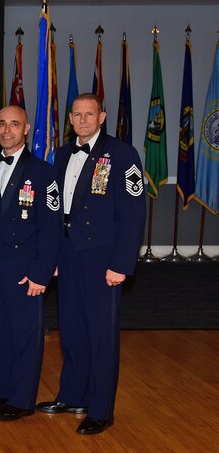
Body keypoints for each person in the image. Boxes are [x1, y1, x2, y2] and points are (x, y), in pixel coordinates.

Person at [37, 93, 146, 435]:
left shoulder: (123, 154)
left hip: (102, 258)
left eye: (89, 114)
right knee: (71, 329)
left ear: (102, 117)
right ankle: (73, 395)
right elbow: (54, 209)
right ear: (70, 119)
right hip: (68, 253)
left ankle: (101, 409)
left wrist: (121, 263)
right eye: (77, 114)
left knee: (101, 335)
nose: (83, 120)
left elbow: (133, 214)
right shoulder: (62, 154)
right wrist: (51, 255)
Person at [0, 106, 60, 421]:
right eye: (1, 123)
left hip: (25, 268)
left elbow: (52, 229)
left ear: (26, 130)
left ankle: (22, 400)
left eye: (14, 124)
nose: (6, 130)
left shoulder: (42, 172)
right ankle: (3, 388)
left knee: (25, 335)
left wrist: (41, 273)